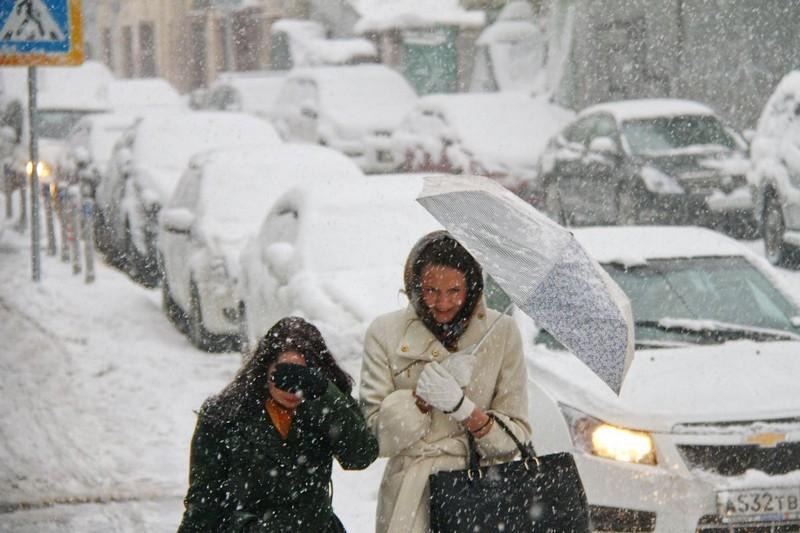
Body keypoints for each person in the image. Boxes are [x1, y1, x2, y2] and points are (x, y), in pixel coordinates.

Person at [360, 230, 531, 533]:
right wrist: (421, 400)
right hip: (409, 494)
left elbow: (514, 439)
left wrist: (465, 410)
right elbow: (374, 436)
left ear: (472, 287)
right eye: (430, 290)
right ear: (414, 287)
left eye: (454, 291)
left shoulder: (502, 333)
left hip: (479, 495)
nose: (442, 303)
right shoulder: (384, 332)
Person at [178, 316, 379, 532]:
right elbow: (204, 499)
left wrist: (323, 393)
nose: (292, 388)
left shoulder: (323, 408)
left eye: (302, 376)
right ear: (265, 369)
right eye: (284, 375)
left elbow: (360, 455)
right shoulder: (225, 416)